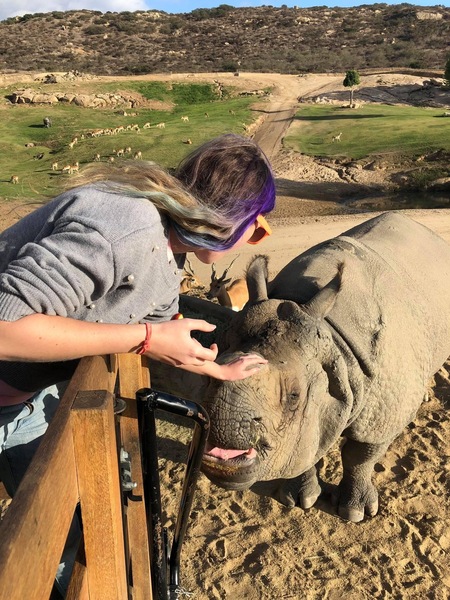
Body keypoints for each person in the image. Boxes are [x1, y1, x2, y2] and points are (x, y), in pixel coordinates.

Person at [0, 133, 275, 594]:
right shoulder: (123, 228)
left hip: (25, 406)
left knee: (72, 543)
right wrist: (144, 338)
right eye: (258, 225)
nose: (255, 237)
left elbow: (165, 333)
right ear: (231, 222)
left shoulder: (165, 264)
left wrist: (215, 369)